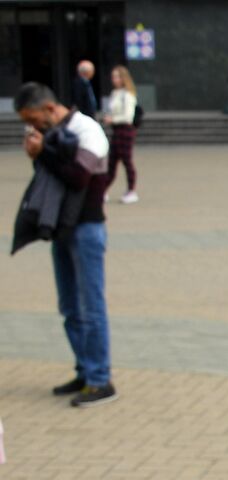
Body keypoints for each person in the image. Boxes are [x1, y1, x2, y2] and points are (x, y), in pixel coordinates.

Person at [13, 82, 117, 407]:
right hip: (62, 229)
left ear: (49, 108)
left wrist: (43, 151)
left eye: (33, 118)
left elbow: (77, 178)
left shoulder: (88, 130)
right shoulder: (56, 135)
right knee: (70, 308)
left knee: (91, 308)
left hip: (87, 229)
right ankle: (85, 371)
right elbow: (54, 177)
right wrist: (38, 155)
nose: (32, 126)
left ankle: (101, 380)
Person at [103, 65, 139, 204]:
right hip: (116, 130)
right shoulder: (115, 93)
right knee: (112, 161)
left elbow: (128, 116)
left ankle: (131, 190)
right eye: (113, 76)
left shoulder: (128, 95)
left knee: (126, 160)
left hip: (125, 130)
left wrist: (113, 119)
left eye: (117, 76)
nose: (114, 79)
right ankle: (103, 190)